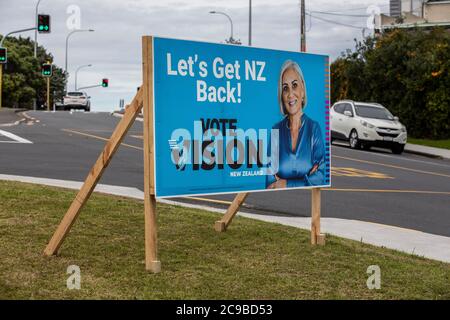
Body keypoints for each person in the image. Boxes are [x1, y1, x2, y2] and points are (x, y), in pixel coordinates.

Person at [266, 60, 325, 189]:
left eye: (294, 85)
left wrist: (285, 183)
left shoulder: (314, 129)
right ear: (281, 95)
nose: (290, 94)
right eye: (285, 88)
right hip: (279, 200)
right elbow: (270, 181)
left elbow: (320, 177)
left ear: (302, 89)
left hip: (305, 201)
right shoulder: (276, 130)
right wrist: (307, 179)